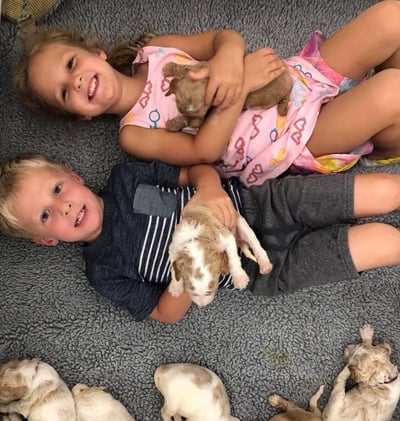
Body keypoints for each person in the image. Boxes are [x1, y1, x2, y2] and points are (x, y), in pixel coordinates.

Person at [13, 1, 400, 186]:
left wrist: (231, 57)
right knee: (390, 92)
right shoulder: (132, 134)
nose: (77, 81)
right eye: (65, 93)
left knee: (391, 16)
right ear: (82, 115)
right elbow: (204, 151)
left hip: (294, 81)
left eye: (70, 66)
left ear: (92, 53)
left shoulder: (157, 50)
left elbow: (222, 38)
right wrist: (242, 85)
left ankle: (376, 122)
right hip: (290, 142)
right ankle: (381, 147)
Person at [1, 152, 400, 324]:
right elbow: (164, 314)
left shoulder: (124, 178)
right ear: (46, 240)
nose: (65, 208)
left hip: (260, 204)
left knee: (383, 192)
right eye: (46, 216)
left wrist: (209, 191)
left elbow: (197, 171)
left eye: (57, 191)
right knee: (382, 244)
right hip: (259, 271)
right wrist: (189, 272)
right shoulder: (102, 271)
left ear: (72, 176)